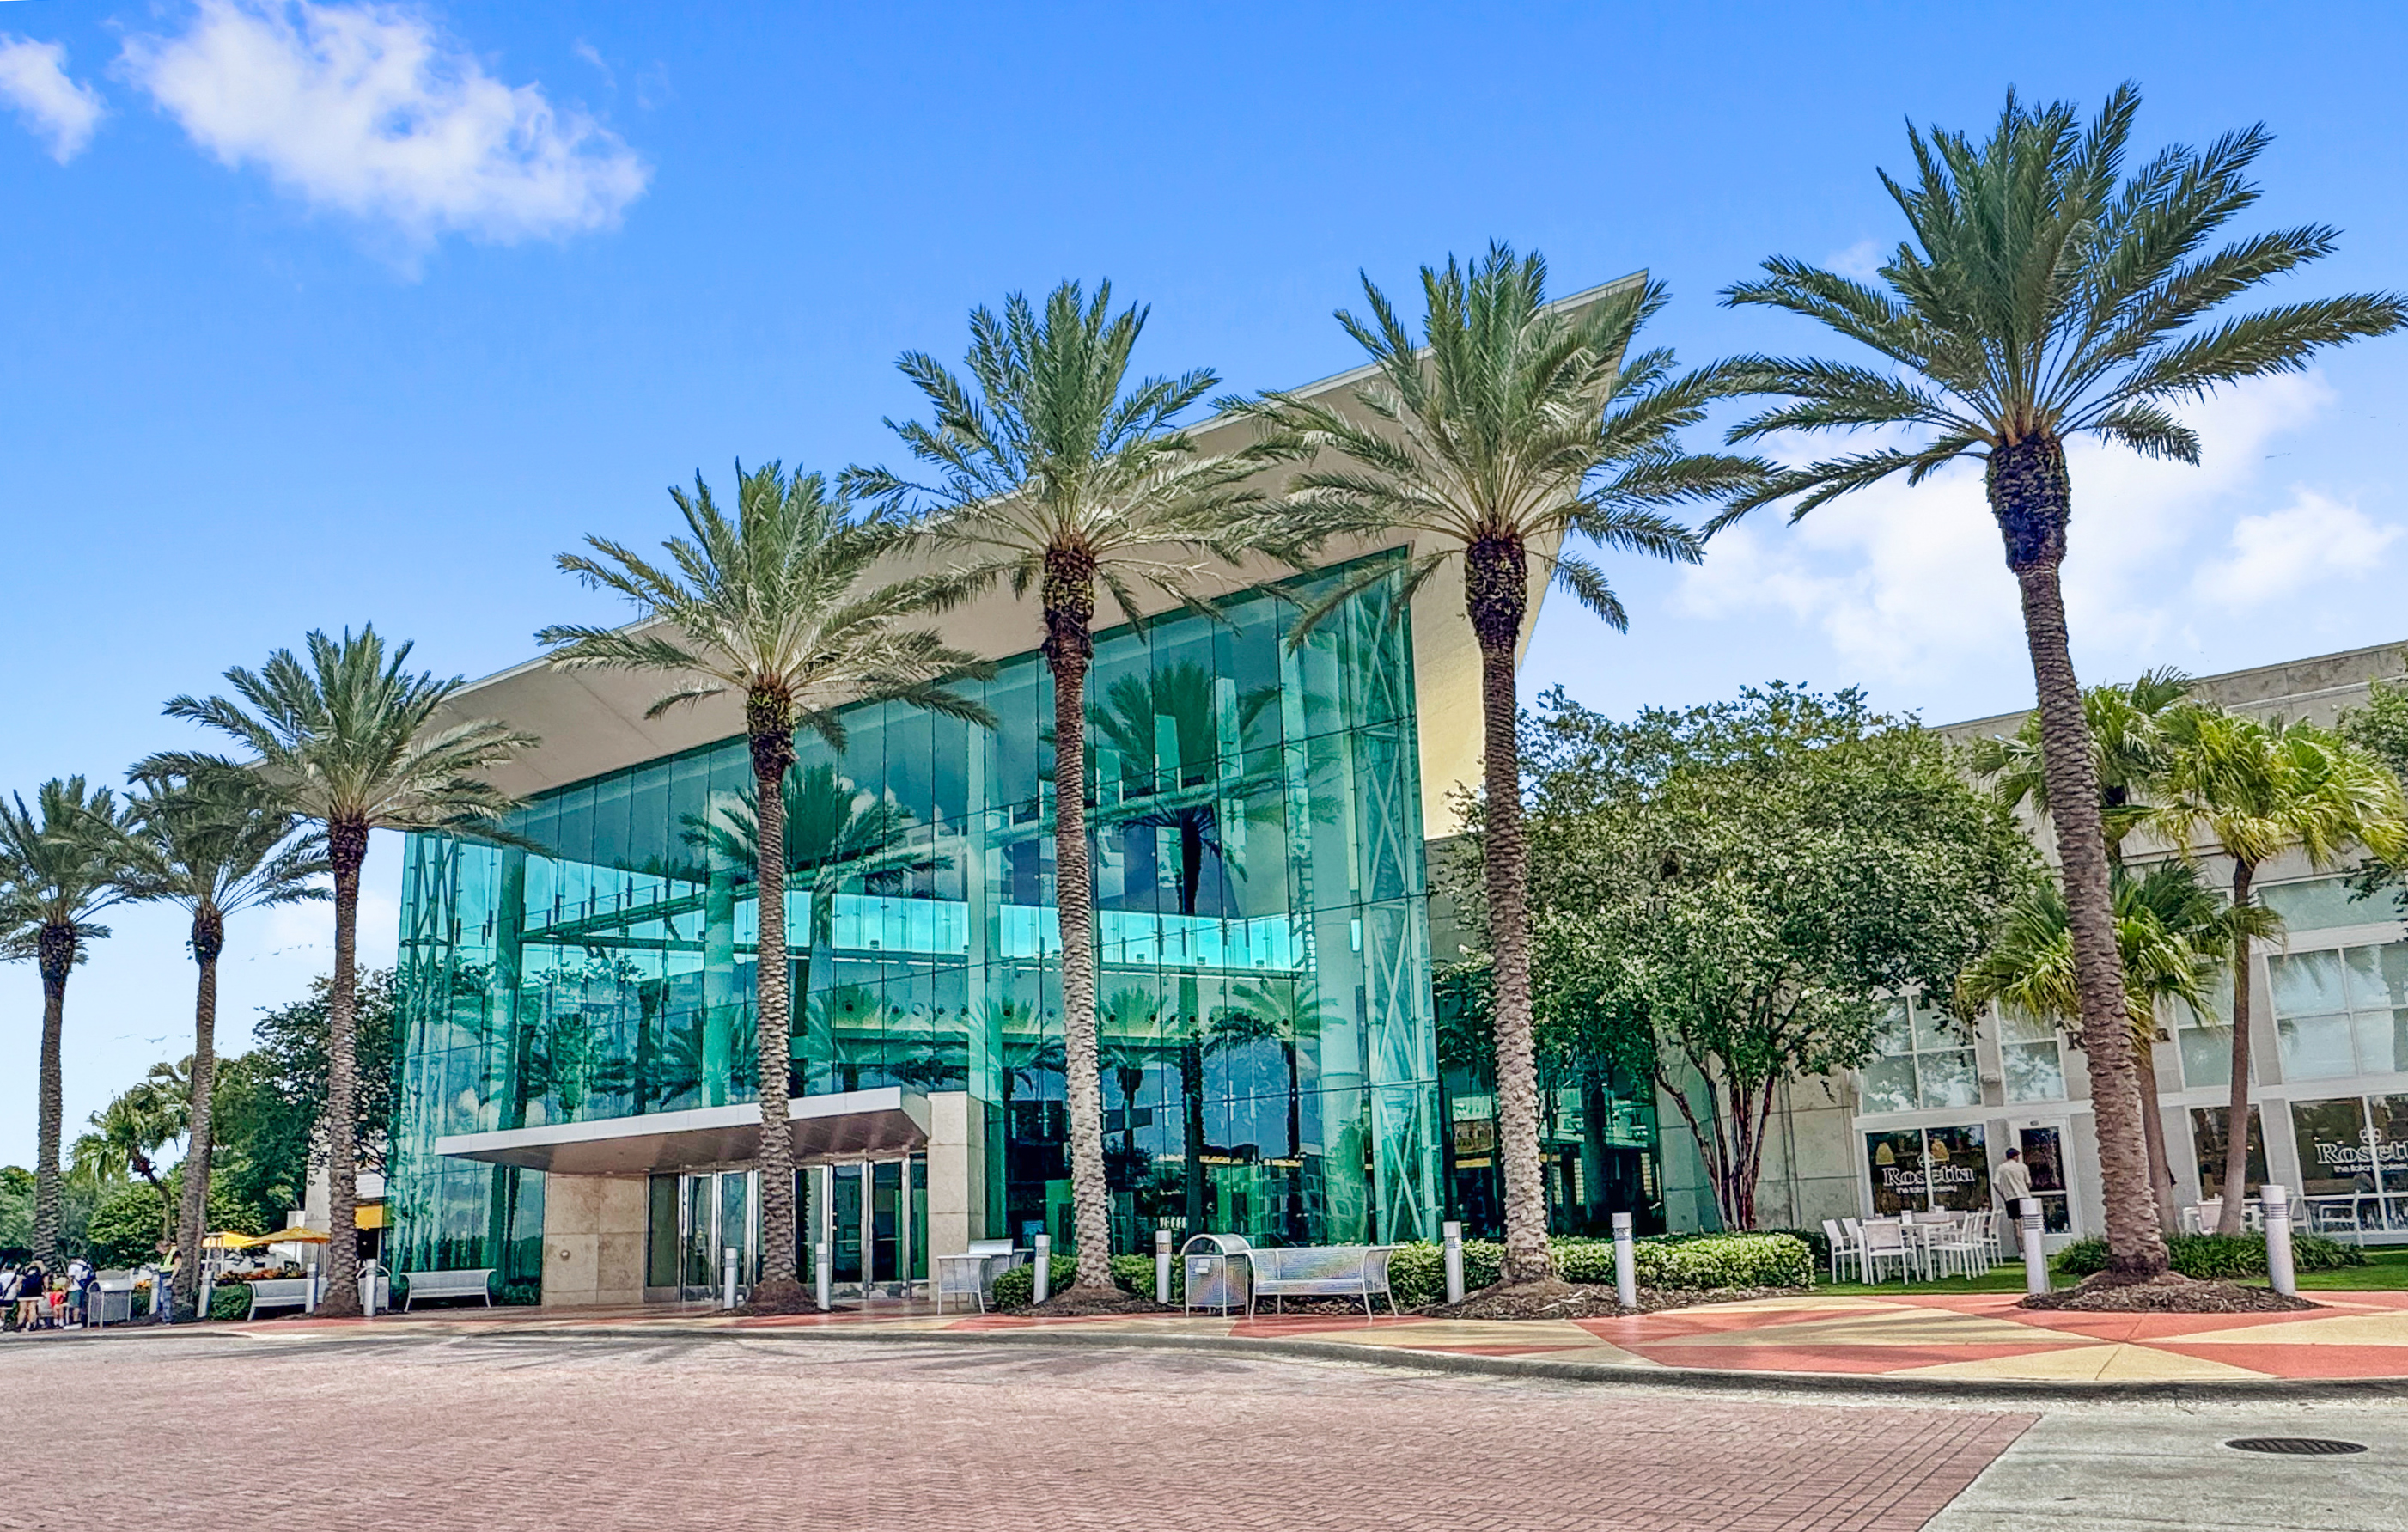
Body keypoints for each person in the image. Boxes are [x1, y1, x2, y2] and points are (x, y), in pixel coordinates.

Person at [1994, 1147, 2034, 1215]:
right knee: (2027, 1217)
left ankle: (2017, 1226)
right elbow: (2028, 1182)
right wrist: (2025, 1189)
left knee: (2016, 1219)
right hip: (2024, 1195)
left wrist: (2003, 1194)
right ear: (2015, 1157)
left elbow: (1996, 1183)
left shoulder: (2001, 1168)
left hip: (2010, 1197)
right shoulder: (2023, 1167)